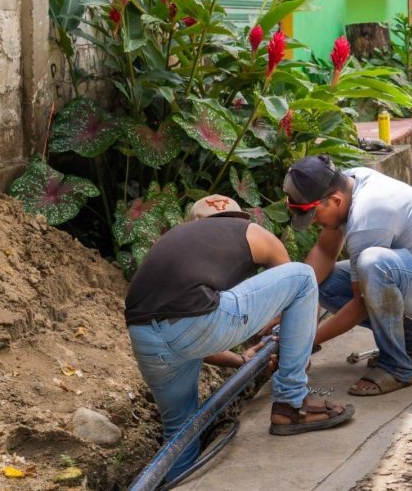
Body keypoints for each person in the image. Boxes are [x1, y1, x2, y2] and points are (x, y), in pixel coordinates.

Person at [125, 195, 354, 484]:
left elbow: (178, 336)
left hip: (145, 341)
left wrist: (241, 360)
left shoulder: (169, 244)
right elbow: (292, 290)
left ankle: (173, 482)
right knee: (304, 276)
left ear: (194, 222)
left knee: (180, 430)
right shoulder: (248, 230)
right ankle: (292, 403)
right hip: (198, 325)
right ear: (239, 217)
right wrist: (292, 351)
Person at [284, 155, 412, 395]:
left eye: (313, 216)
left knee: (373, 264)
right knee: (325, 284)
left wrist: (305, 343)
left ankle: (395, 367)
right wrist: (283, 313)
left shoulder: (367, 216)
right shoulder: (348, 182)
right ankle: (411, 340)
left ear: (334, 200)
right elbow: (324, 251)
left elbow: (361, 302)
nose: (312, 223)